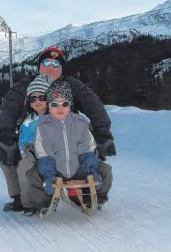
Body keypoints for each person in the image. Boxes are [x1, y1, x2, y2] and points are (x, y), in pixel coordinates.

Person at [26, 81, 112, 212]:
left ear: (70, 105)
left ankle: (94, 199)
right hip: (56, 171)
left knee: (105, 170)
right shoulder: (43, 127)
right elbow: (44, 154)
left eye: (64, 104)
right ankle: (44, 203)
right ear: (49, 105)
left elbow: (87, 150)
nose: (60, 108)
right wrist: (50, 176)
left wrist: (91, 172)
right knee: (33, 175)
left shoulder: (81, 123)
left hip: (78, 169)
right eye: (55, 104)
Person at [0, 74, 53, 212]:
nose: (38, 101)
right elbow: (8, 110)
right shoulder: (24, 92)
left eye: (42, 97)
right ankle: (22, 199)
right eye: (33, 98)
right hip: (30, 147)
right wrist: (10, 141)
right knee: (7, 150)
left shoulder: (59, 107)